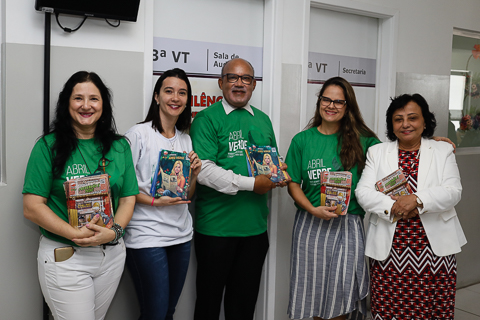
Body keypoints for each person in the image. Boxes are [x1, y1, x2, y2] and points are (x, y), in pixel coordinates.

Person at [22, 71, 138, 320]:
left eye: (94, 99)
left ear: (103, 105)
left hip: (112, 255)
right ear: (67, 103)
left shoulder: (120, 146)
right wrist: (74, 234)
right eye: (78, 98)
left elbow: (129, 198)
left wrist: (114, 231)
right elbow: (32, 207)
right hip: (66, 256)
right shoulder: (47, 147)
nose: (86, 105)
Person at [190, 58, 287, 320]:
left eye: (246, 79)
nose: (239, 83)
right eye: (232, 77)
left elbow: (271, 164)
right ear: (221, 83)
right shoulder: (207, 119)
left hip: (255, 231)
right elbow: (204, 171)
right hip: (216, 230)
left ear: (254, 85)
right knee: (208, 306)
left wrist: (279, 174)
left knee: (243, 309)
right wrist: (253, 184)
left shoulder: (264, 121)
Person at [356, 93, 467, 319]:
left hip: (433, 252)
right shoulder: (377, 152)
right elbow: (363, 193)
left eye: (412, 117)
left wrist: (416, 199)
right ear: (392, 125)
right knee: (389, 310)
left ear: (424, 121)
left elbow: (453, 191)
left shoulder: (442, 150)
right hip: (390, 252)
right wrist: (395, 206)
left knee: (432, 311)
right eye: (398, 119)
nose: (405, 124)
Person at [285, 76, 380, 320]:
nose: (331, 105)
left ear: (348, 107)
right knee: (313, 296)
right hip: (310, 224)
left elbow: (394, 155)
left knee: (341, 296)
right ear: (319, 101)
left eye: (339, 101)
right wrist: (312, 209)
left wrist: (429, 142)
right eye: (326, 99)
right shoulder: (302, 140)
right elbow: (293, 183)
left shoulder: (364, 140)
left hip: (348, 226)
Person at [124, 68, 201, 320]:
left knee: (168, 312)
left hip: (180, 236)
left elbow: (186, 195)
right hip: (146, 235)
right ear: (157, 96)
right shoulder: (138, 134)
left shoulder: (185, 141)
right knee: (155, 314)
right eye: (169, 91)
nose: (175, 98)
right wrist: (155, 201)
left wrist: (193, 176)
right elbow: (124, 188)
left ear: (187, 100)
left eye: (182, 93)